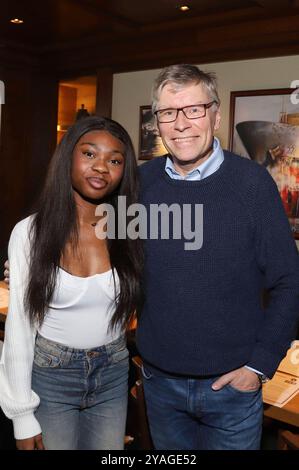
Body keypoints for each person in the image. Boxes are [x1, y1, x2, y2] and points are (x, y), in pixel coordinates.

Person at [136, 64, 299, 450]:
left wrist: (259, 365)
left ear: (215, 114)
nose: (180, 123)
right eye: (168, 112)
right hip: (160, 384)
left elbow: (290, 280)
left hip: (233, 388)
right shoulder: (142, 183)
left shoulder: (253, 184)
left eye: (193, 109)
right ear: (157, 121)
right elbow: (112, 254)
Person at [0, 115, 143, 450]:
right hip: (51, 375)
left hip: (113, 372)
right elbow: (20, 327)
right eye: (89, 154)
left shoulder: (131, 228)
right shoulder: (31, 233)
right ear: (68, 157)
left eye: (115, 160)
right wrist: (21, 414)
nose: (101, 167)